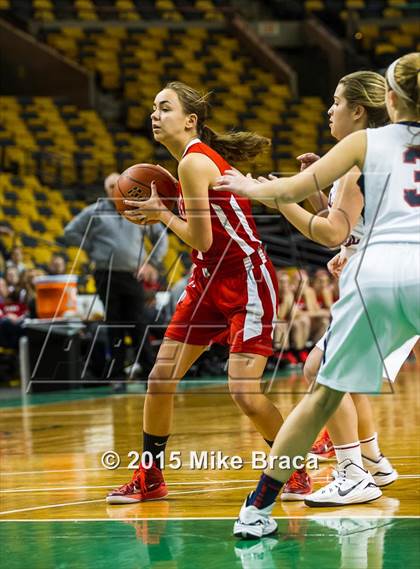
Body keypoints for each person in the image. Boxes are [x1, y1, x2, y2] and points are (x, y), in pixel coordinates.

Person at [214, 52, 419, 538]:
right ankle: (364, 462)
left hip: (378, 275)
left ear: (389, 100)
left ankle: (257, 509)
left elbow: (294, 188)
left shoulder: (366, 142)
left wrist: (249, 185)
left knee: (321, 393)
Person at [106, 81, 311, 505]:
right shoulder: (188, 163)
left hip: (245, 278)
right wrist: (164, 212)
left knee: (244, 392)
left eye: (165, 107)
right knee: (160, 378)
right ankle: (150, 478)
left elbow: (200, 239)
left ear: (190, 119)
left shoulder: (194, 163)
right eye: (153, 108)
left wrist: (161, 212)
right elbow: (203, 247)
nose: (154, 114)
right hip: (207, 280)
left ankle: (293, 468)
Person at [266, 71, 403, 505]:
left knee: (320, 369)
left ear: (358, 111)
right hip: (388, 274)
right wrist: (320, 199)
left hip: (383, 281)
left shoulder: (360, 157)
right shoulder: (393, 153)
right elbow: (354, 224)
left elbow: (330, 231)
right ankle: (373, 461)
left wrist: (283, 200)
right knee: (349, 376)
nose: (329, 110)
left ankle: (352, 472)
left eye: (337, 102)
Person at [64, 172, 168, 384]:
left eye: (117, 184)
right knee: (114, 326)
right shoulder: (95, 211)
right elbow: (70, 232)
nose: (114, 189)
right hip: (106, 275)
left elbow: (161, 236)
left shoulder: (138, 209)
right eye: (110, 186)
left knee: (140, 324)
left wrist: (152, 262)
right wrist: (92, 248)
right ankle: (118, 376)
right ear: (106, 190)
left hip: (132, 275)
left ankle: (149, 373)